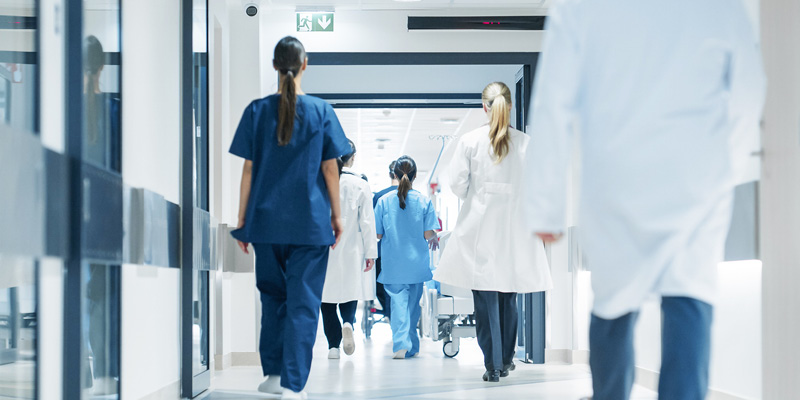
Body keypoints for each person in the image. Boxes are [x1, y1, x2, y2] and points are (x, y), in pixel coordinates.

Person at [525, 2, 765, 400]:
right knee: (689, 297)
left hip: (616, 176)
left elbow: (553, 104)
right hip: (695, 177)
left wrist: (546, 204)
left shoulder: (580, 8)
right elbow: (748, 89)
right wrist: (727, 165)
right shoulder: (721, 6)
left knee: (614, 304)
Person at [229, 36, 351, 400]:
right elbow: (331, 169)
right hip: (310, 225)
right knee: (303, 303)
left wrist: (243, 221)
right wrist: (337, 215)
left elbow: (249, 170)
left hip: (266, 224)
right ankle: (293, 383)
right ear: (305, 65)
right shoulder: (321, 111)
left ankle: (274, 374)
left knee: (272, 298)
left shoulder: (256, 111)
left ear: (274, 65)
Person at [433, 82, 553, 382]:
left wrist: (479, 194)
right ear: (510, 106)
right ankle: (508, 359)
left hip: (480, 229)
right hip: (515, 230)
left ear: (484, 107)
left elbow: (458, 184)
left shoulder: (470, 141)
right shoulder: (526, 143)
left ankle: (493, 365)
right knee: (508, 297)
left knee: (485, 299)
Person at [374, 156, 440, 359]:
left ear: (393, 174)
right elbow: (428, 233)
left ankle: (402, 344)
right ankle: (412, 346)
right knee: (412, 307)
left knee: (398, 305)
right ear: (415, 176)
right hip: (416, 265)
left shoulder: (384, 201)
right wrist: (435, 237)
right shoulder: (423, 200)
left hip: (394, 264)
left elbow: (377, 234)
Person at [320, 140, 378, 360]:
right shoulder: (360, 185)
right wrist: (371, 253)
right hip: (352, 248)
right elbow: (368, 223)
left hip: (323, 249)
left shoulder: (319, 181)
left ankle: (333, 347)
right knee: (349, 291)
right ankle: (348, 322)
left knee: (326, 299)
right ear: (351, 159)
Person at [372, 160, 399, 320]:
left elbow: (376, 231)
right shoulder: (416, 196)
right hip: (408, 252)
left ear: (390, 174)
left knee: (381, 285)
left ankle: (390, 313)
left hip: (385, 251)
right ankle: (400, 317)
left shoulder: (379, 196)